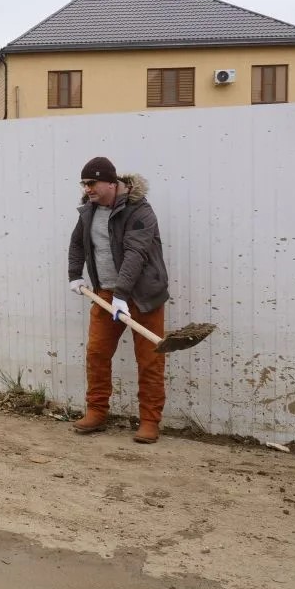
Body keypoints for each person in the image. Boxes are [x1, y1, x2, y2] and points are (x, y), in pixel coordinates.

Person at [67, 156, 170, 444]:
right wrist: (75, 274)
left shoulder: (140, 211)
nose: (87, 188)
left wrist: (122, 296)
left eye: (92, 183)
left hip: (144, 296)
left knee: (150, 360)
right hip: (106, 295)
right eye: (84, 183)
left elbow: (136, 253)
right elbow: (77, 243)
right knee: (97, 353)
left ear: (112, 184)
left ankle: (150, 421)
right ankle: (97, 412)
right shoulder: (88, 211)